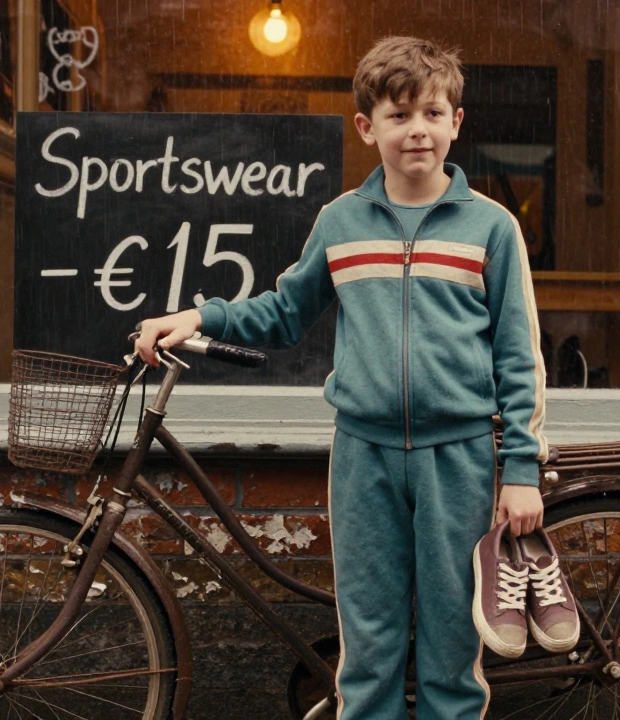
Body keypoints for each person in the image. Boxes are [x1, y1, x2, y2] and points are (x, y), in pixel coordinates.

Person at [134, 36, 549, 720]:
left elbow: (518, 355)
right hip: (365, 455)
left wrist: (523, 470)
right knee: (370, 638)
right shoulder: (341, 223)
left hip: (462, 457)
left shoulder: (491, 229)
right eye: (399, 115)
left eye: (433, 113)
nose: (418, 129)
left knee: (452, 638)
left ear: (456, 122)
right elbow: (283, 312)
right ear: (367, 126)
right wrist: (199, 316)